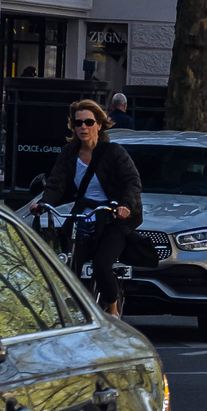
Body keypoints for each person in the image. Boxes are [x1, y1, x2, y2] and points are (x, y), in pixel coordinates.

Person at [34, 98, 142, 316]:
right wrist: (44, 203)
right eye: (78, 122)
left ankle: (113, 311)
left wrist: (125, 206)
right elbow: (56, 182)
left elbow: (132, 182)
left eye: (89, 122)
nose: (83, 127)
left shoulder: (114, 152)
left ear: (99, 125)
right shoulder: (69, 153)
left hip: (112, 217)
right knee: (67, 264)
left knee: (102, 266)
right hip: (82, 215)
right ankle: (68, 312)